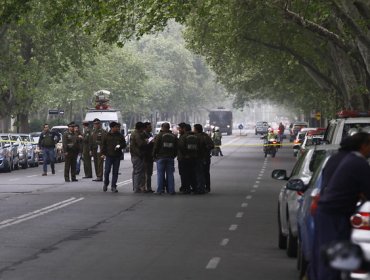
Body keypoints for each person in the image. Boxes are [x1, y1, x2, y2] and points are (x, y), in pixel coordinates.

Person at [313, 132, 370, 280]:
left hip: (330, 212)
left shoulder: (346, 159)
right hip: (334, 214)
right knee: (333, 256)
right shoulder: (359, 163)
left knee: (328, 255)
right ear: (364, 146)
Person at [101, 122, 126, 193]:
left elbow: (124, 144)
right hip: (108, 156)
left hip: (117, 156)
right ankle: (106, 183)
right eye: (116, 127)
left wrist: (120, 146)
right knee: (106, 171)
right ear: (112, 128)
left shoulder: (120, 135)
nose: (117, 128)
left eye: (118, 127)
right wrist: (102, 153)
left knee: (115, 172)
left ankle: (113, 186)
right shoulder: (106, 135)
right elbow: (103, 145)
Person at [153, 122, 177, 194]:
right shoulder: (174, 136)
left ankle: (160, 190)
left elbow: (156, 146)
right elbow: (176, 147)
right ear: (169, 127)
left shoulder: (159, 135)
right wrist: (173, 155)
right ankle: (171, 190)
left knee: (160, 174)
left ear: (162, 127)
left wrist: (154, 155)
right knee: (170, 174)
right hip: (170, 157)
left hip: (161, 157)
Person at [193, 124, 214, 194]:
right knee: (206, 173)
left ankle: (200, 188)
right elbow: (212, 145)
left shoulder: (195, 137)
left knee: (199, 173)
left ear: (196, 129)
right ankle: (206, 187)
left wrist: (203, 149)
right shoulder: (206, 136)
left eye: (194, 129)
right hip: (206, 157)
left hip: (199, 157)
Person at [178, 123, 197, 194]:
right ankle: (194, 188)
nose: (179, 130)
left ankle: (186, 188)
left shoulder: (183, 137)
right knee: (192, 173)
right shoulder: (195, 136)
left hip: (184, 158)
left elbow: (181, 146)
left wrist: (186, 154)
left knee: (184, 173)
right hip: (194, 157)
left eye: (180, 128)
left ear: (184, 129)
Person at [130, 121, 146, 193]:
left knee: (135, 171)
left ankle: (135, 187)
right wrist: (146, 141)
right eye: (143, 128)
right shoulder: (137, 134)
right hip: (137, 155)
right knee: (138, 172)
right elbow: (140, 144)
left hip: (134, 155)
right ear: (141, 128)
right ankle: (136, 188)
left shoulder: (134, 133)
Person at [142, 122, 155, 193]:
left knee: (149, 173)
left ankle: (149, 187)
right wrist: (151, 142)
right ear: (145, 127)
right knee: (145, 173)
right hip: (145, 155)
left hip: (150, 155)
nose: (151, 128)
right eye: (149, 127)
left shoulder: (150, 134)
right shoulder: (143, 135)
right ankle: (144, 187)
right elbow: (144, 145)